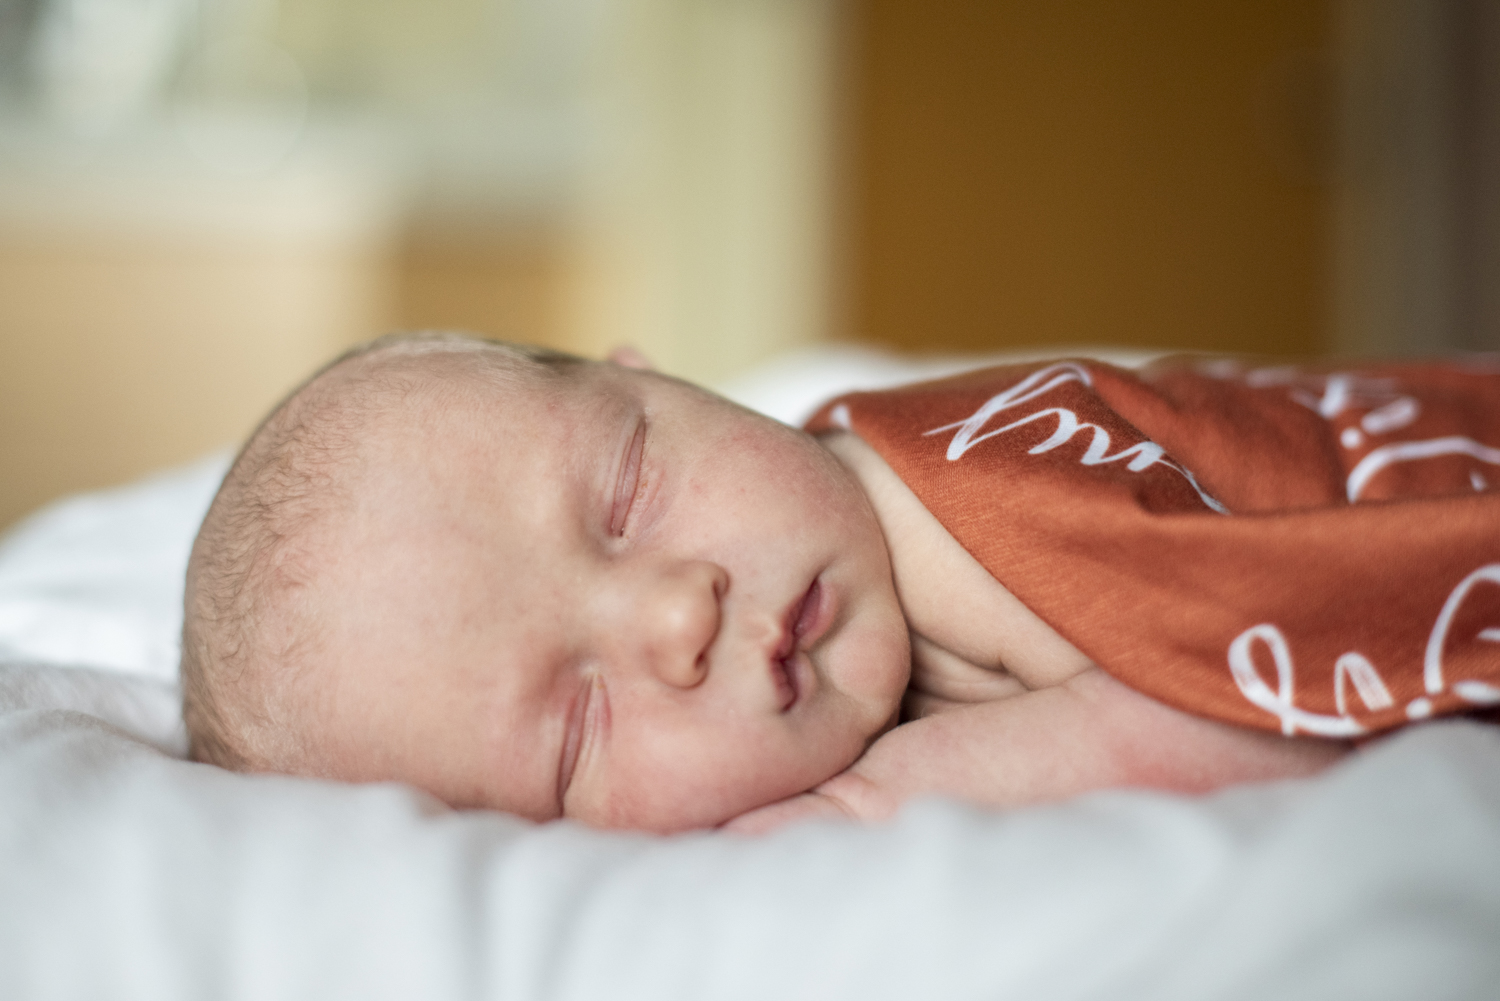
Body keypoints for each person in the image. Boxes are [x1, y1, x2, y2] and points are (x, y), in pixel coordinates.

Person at [181, 333, 1500, 833]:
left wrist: (883, 801)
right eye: (577, 725)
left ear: (655, 370)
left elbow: (1246, 705)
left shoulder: (943, 508)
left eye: (628, 495)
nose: (675, 613)